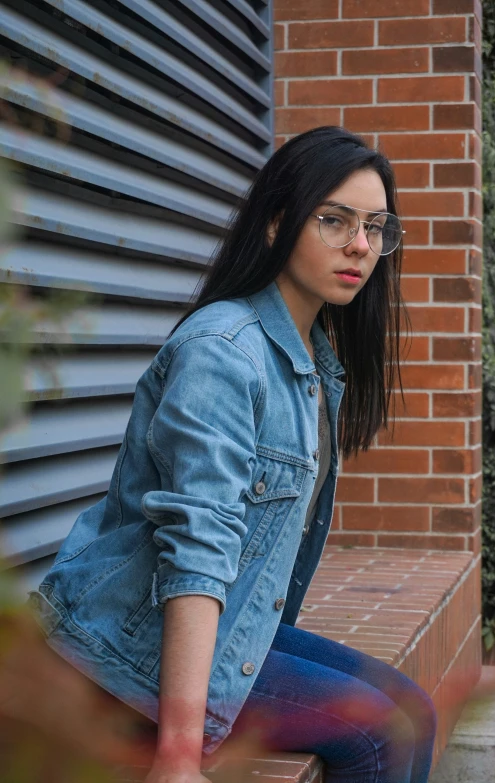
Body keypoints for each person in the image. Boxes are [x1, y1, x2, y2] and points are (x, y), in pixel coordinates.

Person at [29, 126, 437, 783]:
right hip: (123, 645)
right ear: (277, 223)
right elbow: (199, 545)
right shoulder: (225, 351)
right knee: (379, 732)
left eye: (376, 226)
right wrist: (178, 755)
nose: (361, 245)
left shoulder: (312, 358)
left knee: (413, 708)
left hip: (225, 624)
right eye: (333, 220)